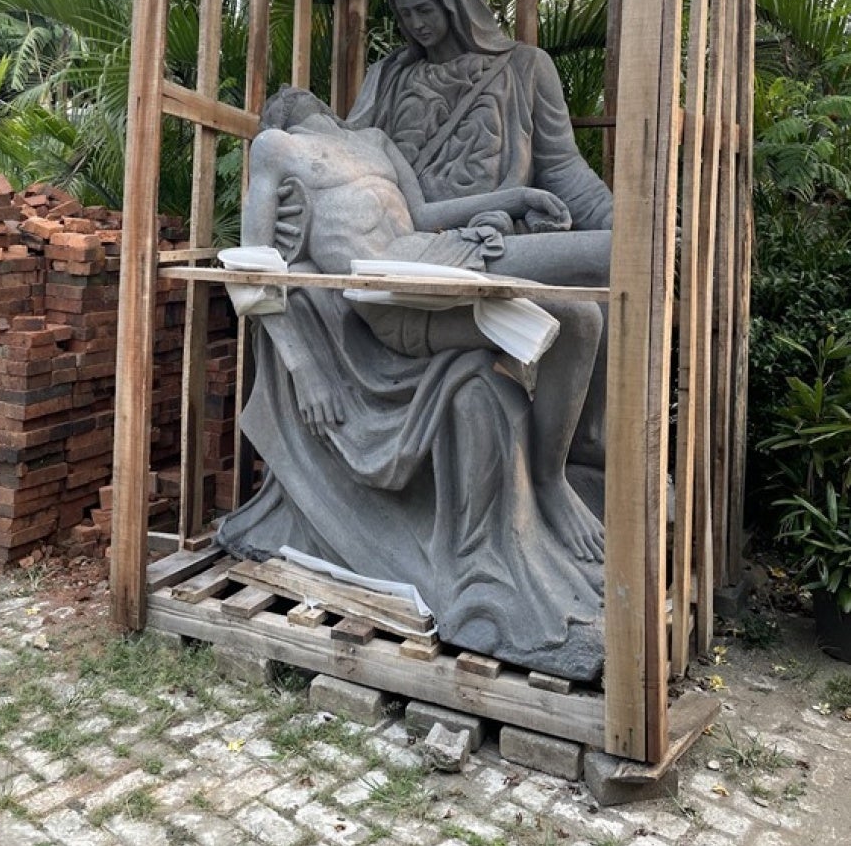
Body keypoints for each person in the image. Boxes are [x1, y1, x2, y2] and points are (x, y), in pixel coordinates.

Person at [216, 89, 607, 681]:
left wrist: (518, 197)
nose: (300, 96)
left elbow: (423, 217)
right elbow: (253, 264)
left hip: (435, 257)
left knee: (588, 310)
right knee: (584, 300)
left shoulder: (372, 143)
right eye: (289, 97)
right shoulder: (278, 146)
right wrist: (305, 366)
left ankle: (557, 475)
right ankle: (548, 488)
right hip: (394, 297)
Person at [347, 0, 612, 468]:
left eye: (426, 11)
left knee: (623, 256)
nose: (417, 25)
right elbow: (349, 158)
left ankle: (586, 436)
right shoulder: (388, 78)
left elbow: (563, 169)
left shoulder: (525, 67)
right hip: (413, 252)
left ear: (455, 2)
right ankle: (559, 462)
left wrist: (617, 217)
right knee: (609, 265)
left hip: (493, 243)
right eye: (405, 15)